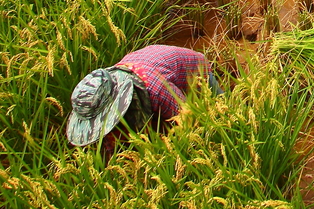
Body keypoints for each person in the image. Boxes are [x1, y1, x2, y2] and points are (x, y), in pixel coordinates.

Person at [65, 45, 223, 155]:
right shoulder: (103, 86)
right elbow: (109, 143)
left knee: (222, 115)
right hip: (151, 63)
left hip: (194, 72)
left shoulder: (157, 89)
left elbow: (189, 122)